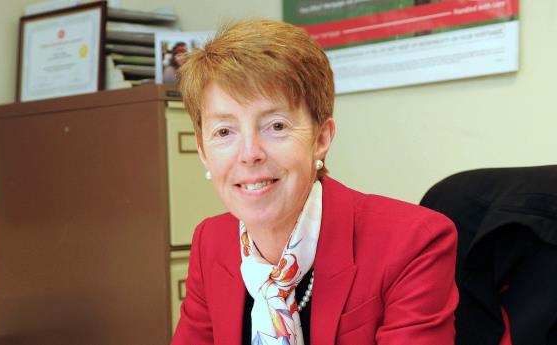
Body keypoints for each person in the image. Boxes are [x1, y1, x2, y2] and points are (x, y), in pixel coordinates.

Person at [171, 19, 458, 345]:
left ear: (321, 138)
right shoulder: (211, 242)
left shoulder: (411, 243)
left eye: (276, 126)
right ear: (203, 151)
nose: (249, 154)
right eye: (224, 132)